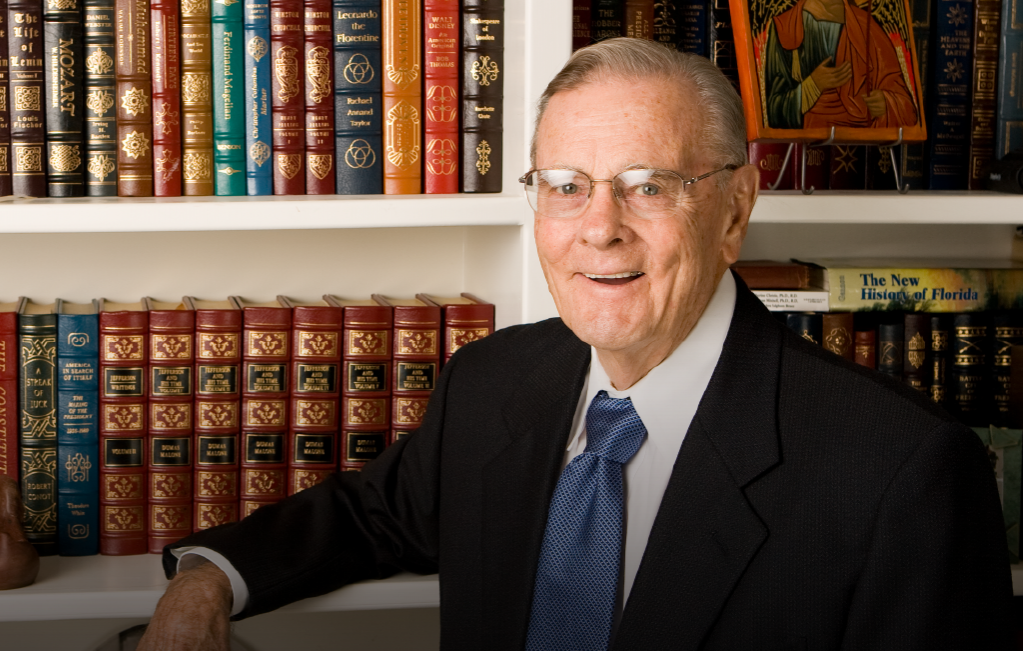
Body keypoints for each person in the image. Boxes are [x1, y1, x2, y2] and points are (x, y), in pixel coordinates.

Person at [138, 38, 1012, 650]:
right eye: (566, 187)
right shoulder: (494, 382)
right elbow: (372, 513)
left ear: (736, 209)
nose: (600, 230)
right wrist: (205, 582)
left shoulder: (903, 473)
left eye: (649, 186)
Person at [763, 0, 919, 129]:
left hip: (864, 144)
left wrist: (887, 102)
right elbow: (773, 111)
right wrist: (812, 86)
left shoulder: (867, 27)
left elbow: (905, 103)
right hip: (809, 140)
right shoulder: (784, 29)